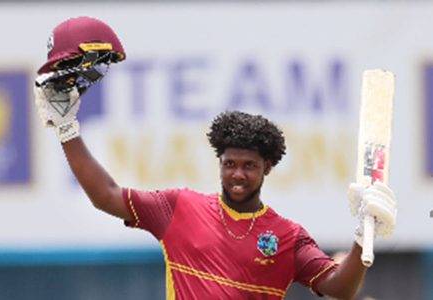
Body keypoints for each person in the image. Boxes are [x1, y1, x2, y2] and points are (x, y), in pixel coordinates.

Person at [34, 16, 397, 300]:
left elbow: (341, 288)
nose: (238, 174)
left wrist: (363, 236)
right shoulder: (179, 208)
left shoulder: (288, 236)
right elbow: (106, 197)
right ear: (219, 162)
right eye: (229, 164)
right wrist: (67, 130)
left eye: (249, 166)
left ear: (268, 167)